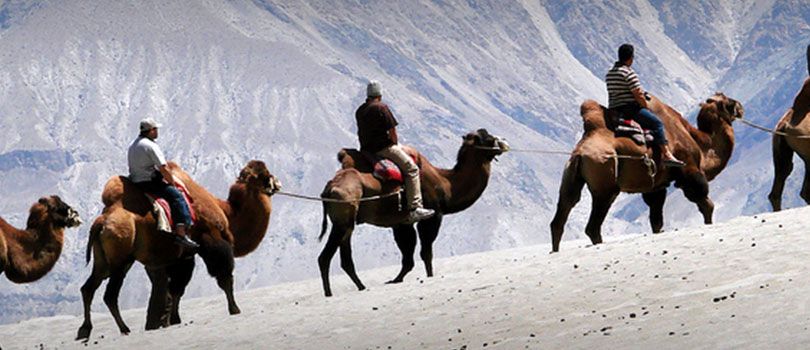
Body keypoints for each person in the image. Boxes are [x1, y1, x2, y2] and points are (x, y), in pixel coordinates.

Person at [356, 81, 435, 223]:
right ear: (379, 95)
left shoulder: (360, 110)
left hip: (366, 150)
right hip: (383, 148)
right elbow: (392, 131)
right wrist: (394, 144)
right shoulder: (381, 107)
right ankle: (415, 207)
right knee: (412, 169)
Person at [606, 44, 684, 167]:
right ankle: (667, 154)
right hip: (630, 109)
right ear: (631, 58)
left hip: (614, 109)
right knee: (657, 123)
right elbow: (638, 94)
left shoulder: (610, 74)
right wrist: (644, 106)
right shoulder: (628, 73)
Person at [128, 118, 199, 249]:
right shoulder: (151, 146)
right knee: (177, 197)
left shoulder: (133, 145)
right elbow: (163, 168)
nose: (157, 132)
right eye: (156, 129)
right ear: (151, 131)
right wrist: (172, 183)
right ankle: (181, 234)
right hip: (149, 182)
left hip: (135, 182)